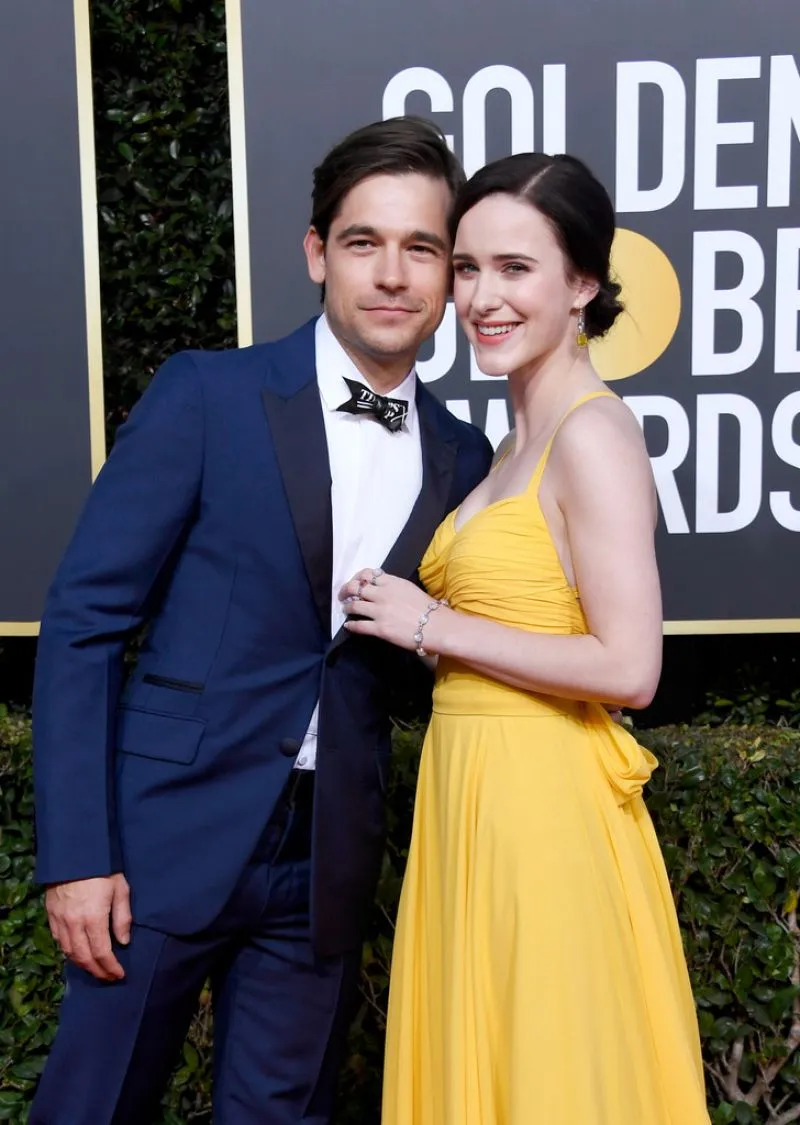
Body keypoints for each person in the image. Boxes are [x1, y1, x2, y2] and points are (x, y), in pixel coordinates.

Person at [29, 116, 493, 1125]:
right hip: (159, 842)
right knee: (93, 1107)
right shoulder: (209, 393)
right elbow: (84, 624)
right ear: (316, 253)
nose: (392, 274)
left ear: (450, 276)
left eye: (421, 249)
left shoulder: (465, 454)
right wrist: (74, 853)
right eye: (364, 242)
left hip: (324, 857)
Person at [339, 153, 711, 1124]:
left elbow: (629, 666)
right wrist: (427, 637)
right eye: (465, 269)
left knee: (548, 1078)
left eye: (514, 269)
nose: (479, 297)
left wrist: (432, 621)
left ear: (581, 282)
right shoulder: (510, 438)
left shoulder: (590, 432)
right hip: (474, 796)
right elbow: (515, 626)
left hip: (541, 811)